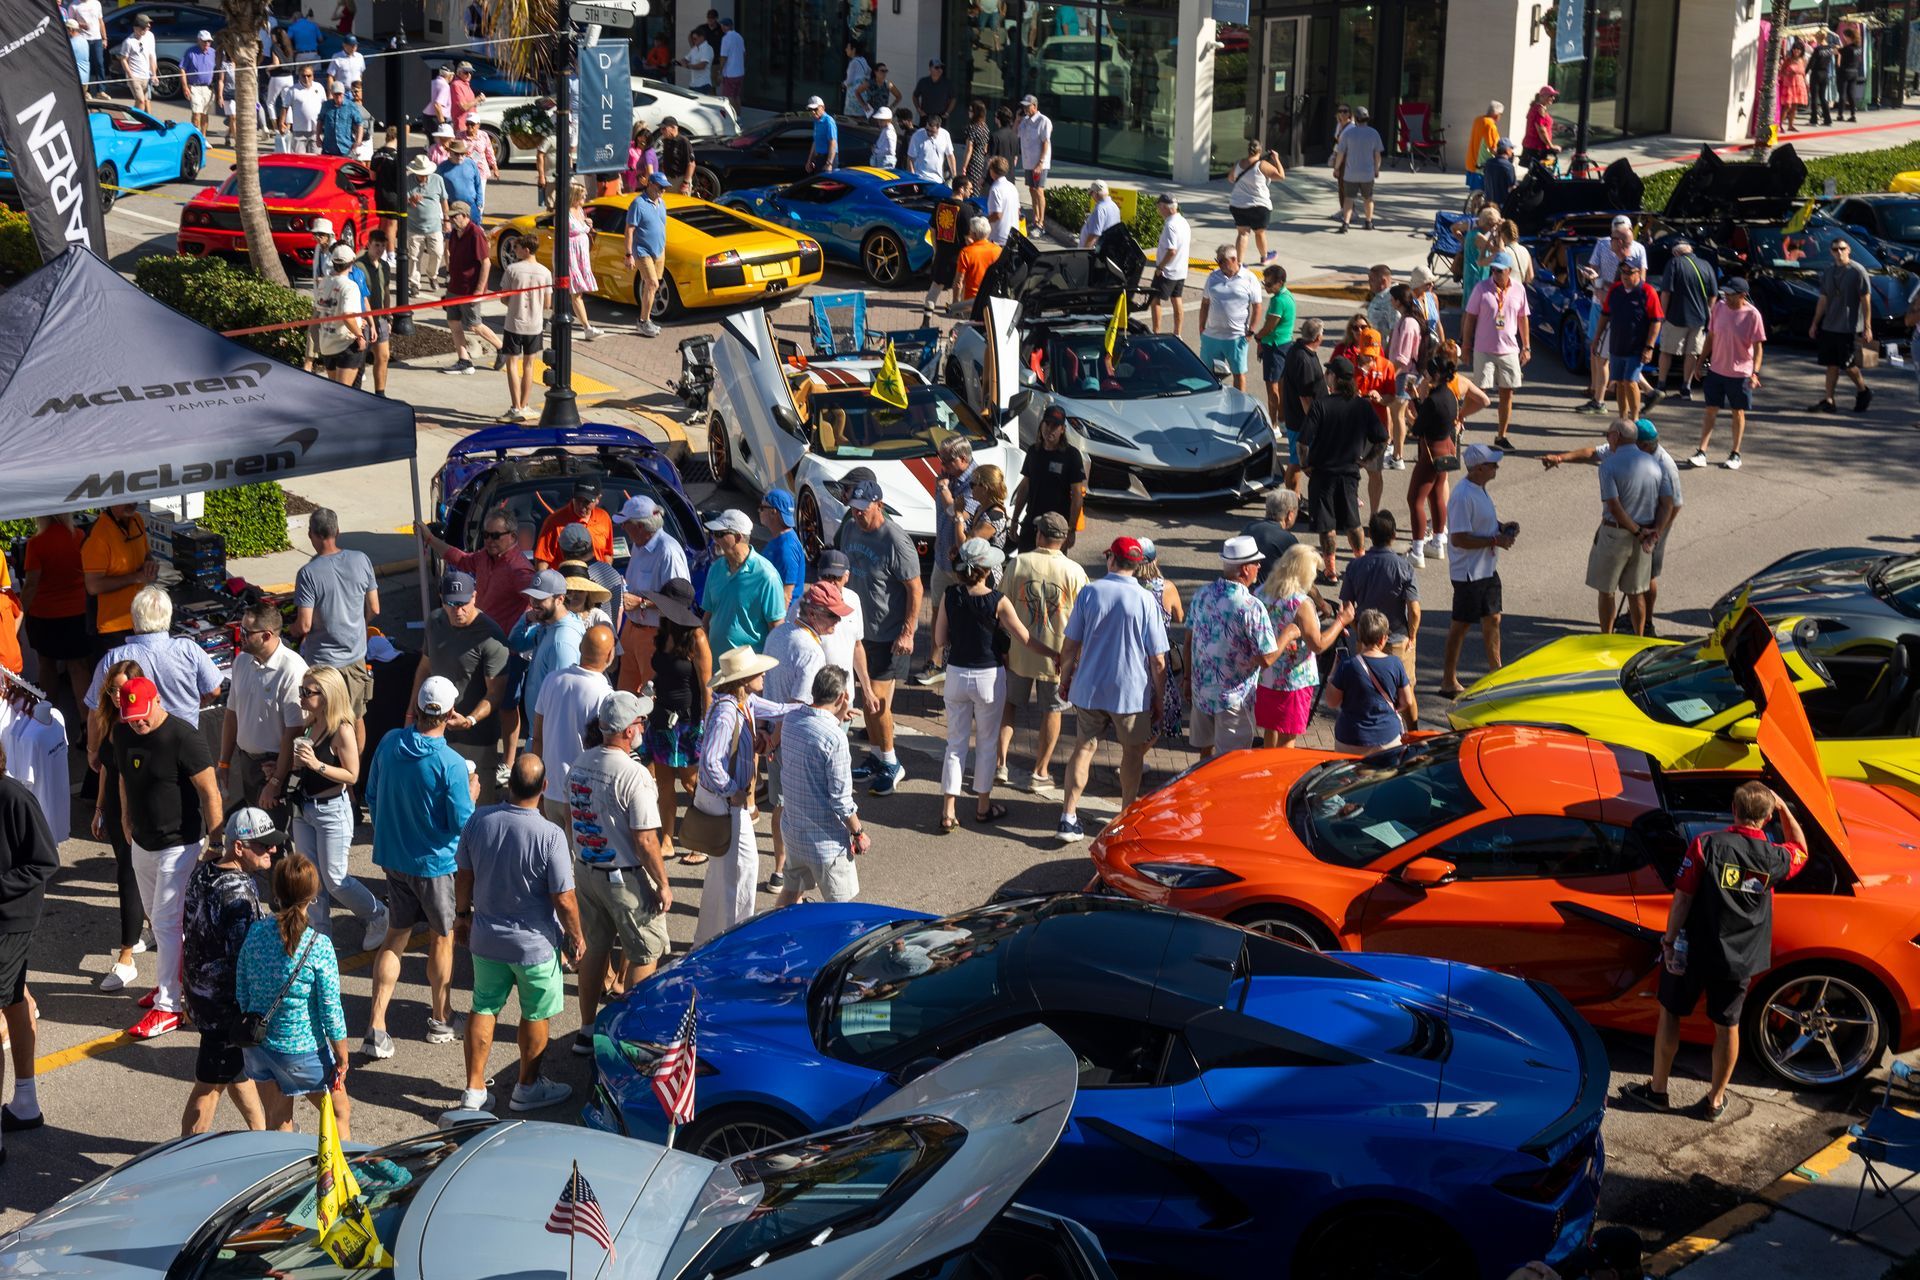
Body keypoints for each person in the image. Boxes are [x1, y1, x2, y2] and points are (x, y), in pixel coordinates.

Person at [1621, 782, 1809, 1121]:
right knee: (1728, 1026)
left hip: (1693, 950)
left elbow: (1683, 898)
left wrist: (1668, 939)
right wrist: (1784, 808)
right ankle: (1715, 1101)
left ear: (1733, 811)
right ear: (1767, 819)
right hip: (1740, 958)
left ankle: (1658, 1090)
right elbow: (1801, 849)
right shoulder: (1776, 857)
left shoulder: (1705, 845)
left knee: (1671, 1013)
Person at [451, 755, 583, 1115]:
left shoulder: (479, 820)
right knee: (536, 1014)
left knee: (484, 1005)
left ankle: (474, 1089)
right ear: (544, 788)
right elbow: (565, 899)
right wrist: (576, 936)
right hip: (534, 947)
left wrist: (462, 916)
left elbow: (464, 876)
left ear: (509, 786)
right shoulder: (551, 836)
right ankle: (527, 1087)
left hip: (486, 939)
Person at [362, 676, 476, 1061]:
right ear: (448, 714)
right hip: (436, 864)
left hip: (394, 859)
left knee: (395, 936)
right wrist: (472, 793)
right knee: (441, 938)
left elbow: (372, 795)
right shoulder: (452, 764)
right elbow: (463, 822)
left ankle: (376, 1026)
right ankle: (441, 1019)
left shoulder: (390, 741)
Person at [114, 675, 224, 1039]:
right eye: (132, 718)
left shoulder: (184, 737)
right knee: (157, 920)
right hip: (143, 843)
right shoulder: (125, 730)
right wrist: (126, 817)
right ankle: (170, 986)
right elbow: (123, 779)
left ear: (157, 701)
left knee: (166, 922)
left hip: (179, 846)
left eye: (143, 716)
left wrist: (217, 840)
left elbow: (210, 791)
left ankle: (169, 1006)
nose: (138, 724)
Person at [934, 541, 1053, 831]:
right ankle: (983, 806)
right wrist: (1054, 654)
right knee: (987, 743)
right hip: (988, 676)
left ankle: (949, 810)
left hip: (957, 674)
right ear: (986, 570)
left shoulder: (950, 596)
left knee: (955, 744)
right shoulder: (998, 601)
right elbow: (1024, 637)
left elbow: (939, 640)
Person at [1054, 538, 1168, 842]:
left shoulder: (1090, 592)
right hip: (1131, 693)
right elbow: (1158, 660)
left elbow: (1069, 646)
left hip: (1090, 687)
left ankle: (1068, 815)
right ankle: (1125, 815)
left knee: (1083, 747)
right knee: (1131, 754)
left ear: (1111, 560)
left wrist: (1065, 679)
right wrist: (1159, 696)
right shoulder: (1146, 600)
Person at [235, 854, 352, 1136]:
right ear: (312, 896)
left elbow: (242, 987)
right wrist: (342, 1055)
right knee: (338, 1113)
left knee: (278, 1119)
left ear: (276, 893)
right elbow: (330, 1010)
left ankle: (284, 1173)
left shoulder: (256, 932)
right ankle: (339, 1173)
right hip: (302, 1052)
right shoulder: (318, 945)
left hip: (259, 1047)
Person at [179, 807, 277, 1136]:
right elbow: (245, 958)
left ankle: (260, 1137)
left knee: (236, 1072)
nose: (272, 850)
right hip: (225, 1008)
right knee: (208, 1089)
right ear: (239, 847)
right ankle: (182, 1158)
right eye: (263, 845)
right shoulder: (239, 891)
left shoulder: (203, 872)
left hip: (200, 995)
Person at [284, 664, 387, 948]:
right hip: (305, 808)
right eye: (301, 691)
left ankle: (378, 914)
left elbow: (352, 775)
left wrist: (316, 764)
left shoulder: (341, 728)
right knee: (310, 877)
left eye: (308, 692)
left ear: (327, 695)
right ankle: (320, 936)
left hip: (331, 811)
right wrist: (294, 766)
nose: (301, 697)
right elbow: (304, 767)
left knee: (335, 879)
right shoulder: (311, 723)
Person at [693, 648, 790, 942]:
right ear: (743, 680)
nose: (763, 675)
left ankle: (708, 940)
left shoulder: (742, 702)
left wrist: (816, 710)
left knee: (724, 873)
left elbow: (779, 709)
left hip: (727, 802)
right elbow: (710, 761)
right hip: (727, 804)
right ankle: (734, 943)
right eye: (758, 673)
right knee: (741, 871)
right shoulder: (726, 712)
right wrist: (731, 791)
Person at [759, 581, 852, 886]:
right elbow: (797, 706)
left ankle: (784, 872)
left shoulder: (778, 634)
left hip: (774, 732)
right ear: (812, 614)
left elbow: (767, 685)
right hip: (790, 737)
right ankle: (786, 874)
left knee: (781, 804)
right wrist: (774, 741)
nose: (837, 624)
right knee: (790, 806)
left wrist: (766, 733)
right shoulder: (810, 650)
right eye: (832, 617)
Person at [838, 475, 922, 795]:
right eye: (854, 508)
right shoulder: (849, 528)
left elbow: (915, 588)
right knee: (866, 698)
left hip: (888, 635)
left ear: (879, 504)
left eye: (863, 509)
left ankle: (891, 762)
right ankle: (875, 756)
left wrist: (908, 631)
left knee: (877, 702)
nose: (857, 514)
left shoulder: (895, 540)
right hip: (859, 631)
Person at [994, 511, 1085, 794]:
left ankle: (1001, 763)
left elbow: (1000, 604)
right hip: (1058, 655)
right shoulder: (1074, 571)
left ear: (1040, 535)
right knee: (1053, 711)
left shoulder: (1018, 563)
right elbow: (1085, 615)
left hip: (1019, 651)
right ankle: (1040, 771)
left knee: (1009, 705)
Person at [0, 755, 58, 1150]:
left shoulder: (14, 796)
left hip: (11, 921)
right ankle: (25, 1103)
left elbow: (45, 861)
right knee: (15, 998)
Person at [411, 568, 509, 800]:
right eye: (452, 604)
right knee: (437, 799)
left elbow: (496, 692)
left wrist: (470, 720)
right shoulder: (435, 622)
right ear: (442, 601)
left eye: (464, 603)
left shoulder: (491, 636)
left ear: (474, 596)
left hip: (476, 740)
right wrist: (410, 713)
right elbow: (425, 668)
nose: (458, 610)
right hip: (435, 733)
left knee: (476, 806)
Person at [1185, 536, 1282, 760]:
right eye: (1256, 563)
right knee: (1231, 762)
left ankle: (1203, 791)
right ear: (1245, 569)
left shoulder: (1202, 594)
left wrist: (1188, 680)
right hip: (1233, 700)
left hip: (1202, 691)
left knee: (1205, 754)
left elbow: (1189, 638)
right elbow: (1267, 658)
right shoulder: (1250, 606)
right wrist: (1289, 634)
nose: (1260, 567)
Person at [294, 508, 378, 750]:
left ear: (312, 535)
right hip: (355, 659)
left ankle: (329, 772)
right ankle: (354, 775)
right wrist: (356, 626)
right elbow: (374, 608)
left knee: (321, 720)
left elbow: (304, 625)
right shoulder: (361, 559)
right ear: (337, 532)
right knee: (356, 717)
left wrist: (288, 627)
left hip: (322, 665)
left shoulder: (308, 574)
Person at [1582, 417, 1673, 636]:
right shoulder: (1655, 463)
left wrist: (1638, 532)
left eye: (1608, 434)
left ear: (1616, 437)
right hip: (1644, 537)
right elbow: (1668, 502)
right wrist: (1655, 531)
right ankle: (1638, 638)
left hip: (1616, 534)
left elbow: (1614, 506)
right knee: (1635, 593)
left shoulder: (1609, 465)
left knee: (1607, 591)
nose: (1607, 438)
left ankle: (1607, 637)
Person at [640, 582, 711, 863]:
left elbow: (707, 687)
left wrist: (707, 726)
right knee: (664, 784)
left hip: (688, 723)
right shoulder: (664, 630)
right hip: (661, 719)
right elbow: (665, 671)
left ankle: (700, 843)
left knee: (692, 783)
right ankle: (667, 839)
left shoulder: (697, 638)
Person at [1257, 545, 1354, 748]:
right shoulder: (1300, 604)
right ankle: (1284, 779)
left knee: (1270, 732)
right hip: (1294, 679)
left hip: (1267, 677)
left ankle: (1267, 773)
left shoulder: (1262, 592)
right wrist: (1340, 622)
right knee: (1288, 738)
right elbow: (1317, 644)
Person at [1300, 356, 1386, 582]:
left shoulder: (1320, 405)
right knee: (1353, 522)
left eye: (1329, 373)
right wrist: (1366, 461)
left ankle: (1330, 570)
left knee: (1327, 525)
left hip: (1323, 474)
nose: (1326, 376)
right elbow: (1381, 439)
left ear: (1335, 379)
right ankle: (1361, 563)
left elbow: (1302, 442)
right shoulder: (1362, 406)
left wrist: (1305, 464)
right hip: (1349, 474)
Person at [88, 660, 147, 993]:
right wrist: (99, 808)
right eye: (112, 690)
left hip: (137, 810)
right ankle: (149, 927)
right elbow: (107, 769)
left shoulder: (140, 724)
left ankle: (126, 957)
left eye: (123, 690)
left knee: (127, 875)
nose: (116, 696)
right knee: (131, 872)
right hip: (113, 807)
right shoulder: (108, 720)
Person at [221, 604, 306, 828]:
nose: (241, 636)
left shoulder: (292, 669)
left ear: (267, 635)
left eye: (247, 632)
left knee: (275, 840)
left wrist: (277, 780)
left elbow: (294, 732)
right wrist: (224, 764)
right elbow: (231, 715)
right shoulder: (241, 662)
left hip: (275, 766)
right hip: (248, 763)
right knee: (256, 838)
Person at [1439, 444, 1514, 697]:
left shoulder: (1479, 489)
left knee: (1493, 618)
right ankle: (1448, 680)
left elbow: (1480, 524)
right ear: (1479, 468)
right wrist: (1495, 541)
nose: (1496, 467)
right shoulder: (1462, 496)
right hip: (1469, 573)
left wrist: (1501, 527)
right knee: (1460, 626)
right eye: (1493, 464)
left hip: (1486, 568)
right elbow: (1459, 538)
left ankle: (1496, 672)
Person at [531, 623, 615, 830]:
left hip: (549, 789)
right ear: (610, 655)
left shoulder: (552, 680)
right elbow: (604, 751)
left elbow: (538, 736)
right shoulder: (604, 694)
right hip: (583, 794)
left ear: (580, 648)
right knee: (580, 860)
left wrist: (537, 787)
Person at [1459, 250, 1530, 451]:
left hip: (1509, 350)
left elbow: (1523, 319)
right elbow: (1470, 317)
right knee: (1479, 392)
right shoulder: (1482, 288)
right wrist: (1466, 345)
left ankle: (1501, 436)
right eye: (1494, 270)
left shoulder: (1518, 290)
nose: (1496, 274)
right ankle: (1458, 418)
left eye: (1500, 271)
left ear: (1509, 271)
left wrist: (1526, 346)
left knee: (1507, 393)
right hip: (1484, 349)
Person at [1341, 510, 1422, 684]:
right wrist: (1412, 636)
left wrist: (1360, 630)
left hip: (1366, 642)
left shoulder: (1354, 566)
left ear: (1370, 534)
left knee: (1366, 692)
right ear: (1394, 535)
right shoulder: (1404, 567)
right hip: (1397, 640)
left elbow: (1347, 608)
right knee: (1404, 695)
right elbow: (1414, 610)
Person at [1693, 277, 1767, 469]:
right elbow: (1710, 337)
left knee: (1738, 412)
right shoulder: (1719, 307)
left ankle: (1735, 454)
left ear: (1743, 295)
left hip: (1741, 373)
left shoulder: (1753, 315)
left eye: (1731, 294)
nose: (1726, 297)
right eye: (1725, 293)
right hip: (1716, 369)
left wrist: (1755, 373)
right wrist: (1699, 363)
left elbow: (1758, 349)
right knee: (1710, 409)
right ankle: (1701, 451)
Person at [20, 514, 89, 708]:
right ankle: (86, 722)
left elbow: (31, 583)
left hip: (45, 615)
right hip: (77, 611)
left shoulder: (36, 543)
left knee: (47, 665)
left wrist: (19, 615)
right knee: (78, 666)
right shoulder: (79, 536)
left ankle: (48, 716)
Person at [1324, 610, 1416, 753]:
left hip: (1350, 738)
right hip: (1386, 738)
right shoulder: (1395, 663)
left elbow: (1331, 702)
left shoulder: (1347, 665)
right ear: (1383, 639)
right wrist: (1389, 710)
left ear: (1360, 636)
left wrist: (1332, 673)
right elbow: (1407, 701)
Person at [512, 570, 586, 748]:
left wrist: (542, 744)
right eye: (532, 598)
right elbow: (515, 643)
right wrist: (527, 618)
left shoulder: (563, 641)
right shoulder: (546, 625)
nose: (534, 604)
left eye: (540, 599)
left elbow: (561, 699)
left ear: (560, 599)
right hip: (539, 734)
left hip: (549, 738)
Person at [698, 509, 786, 654]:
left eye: (720, 534)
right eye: (713, 534)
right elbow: (708, 615)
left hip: (748, 672)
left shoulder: (767, 576)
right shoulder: (716, 569)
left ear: (738, 537)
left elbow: (776, 628)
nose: (714, 539)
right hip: (716, 667)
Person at [1403, 349, 1458, 571]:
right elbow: (1429, 412)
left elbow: (1418, 427)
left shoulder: (1434, 399)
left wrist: (1410, 417)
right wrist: (1416, 397)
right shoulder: (1449, 396)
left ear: (1436, 375)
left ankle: (1417, 552)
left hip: (1430, 453)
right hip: (1445, 448)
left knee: (1415, 499)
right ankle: (1437, 542)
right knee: (1436, 497)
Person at [81, 502, 154, 661]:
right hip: (111, 628)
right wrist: (136, 577)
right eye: (125, 499)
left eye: (134, 498)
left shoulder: (137, 520)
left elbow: (147, 554)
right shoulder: (98, 535)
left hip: (141, 620)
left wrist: (150, 564)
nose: (132, 503)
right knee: (114, 683)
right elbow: (93, 586)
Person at [1810, 236, 1874, 415]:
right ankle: (1829, 400)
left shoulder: (1857, 271)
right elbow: (1823, 299)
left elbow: (1866, 300)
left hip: (1849, 327)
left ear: (1849, 250)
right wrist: (1815, 323)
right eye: (1835, 249)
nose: (1839, 252)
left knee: (1848, 364)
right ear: (1831, 252)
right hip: (1830, 325)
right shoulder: (1828, 272)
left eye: (1842, 249)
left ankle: (1863, 391)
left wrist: (1867, 327)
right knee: (1831, 364)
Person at [494, 233, 552, 421]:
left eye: (517, 248)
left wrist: (514, 304)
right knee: (529, 365)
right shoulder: (545, 272)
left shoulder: (512, 270)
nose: (514, 251)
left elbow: (504, 297)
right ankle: (525, 405)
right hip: (534, 325)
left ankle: (515, 407)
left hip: (514, 323)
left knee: (512, 364)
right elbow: (547, 304)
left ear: (526, 250)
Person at [1596, 261, 1664, 420]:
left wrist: (1649, 347)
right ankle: (1622, 419)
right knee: (1619, 382)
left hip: (1637, 348)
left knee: (1630, 381)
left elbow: (1656, 321)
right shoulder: (1615, 289)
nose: (1625, 276)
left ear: (1638, 273)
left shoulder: (1648, 291)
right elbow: (1605, 314)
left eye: (1630, 272)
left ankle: (1634, 420)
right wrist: (1597, 338)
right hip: (1617, 345)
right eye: (1623, 272)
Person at [1197, 245, 1265, 394]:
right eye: (1217, 261)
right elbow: (1205, 303)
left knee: (1238, 374)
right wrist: (1201, 328)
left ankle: (1239, 403)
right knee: (1207, 374)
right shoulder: (1213, 277)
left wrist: (1251, 332)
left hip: (1236, 337)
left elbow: (1257, 307)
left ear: (1234, 259)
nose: (1219, 264)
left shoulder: (1249, 278)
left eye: (1221, 261)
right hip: (1212, 336)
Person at [1656, 239, 1718, 399]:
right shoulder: (1706, 265)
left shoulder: (1674, 263)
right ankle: (1686, 388)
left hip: (1676, 316)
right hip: (1699, 319)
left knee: (1666, 351)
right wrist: (1708, 312)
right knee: (1692, 353)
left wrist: (1662, 314)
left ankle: (1661, 385)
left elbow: (1666, 292)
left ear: (1676, 252)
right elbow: (1713, 294)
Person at [1279, 318, 1325, 491]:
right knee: (1297, 461)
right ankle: (1293, 497)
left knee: (1296, 460)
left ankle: (1295, 497)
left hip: (1298, 418)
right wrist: (1315, 423)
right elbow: (1305, 398)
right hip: (1301, 421)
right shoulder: (1303, 359)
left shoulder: (1297, 349)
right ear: (1318, 338)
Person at [1226, 140, 1285, 265]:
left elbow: (1231, 179)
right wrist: (1276, 159)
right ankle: (1264, 257)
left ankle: (1239, 263)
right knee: (1260, 232)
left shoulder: (1239, 163)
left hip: (1238, 204)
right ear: (1260, 151)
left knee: (1243, 233)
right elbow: (1281, 176)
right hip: (1259, 205)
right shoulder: (1262, 165)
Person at [1255, 265, 1297, 436]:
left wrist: (1258, 338)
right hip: (1286, 345)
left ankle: (1273, 425)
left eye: (1269, 284)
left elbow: (1269, 327)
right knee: (1282, 386)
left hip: (1274, 347)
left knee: (1272, 388)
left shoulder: (1278, 301)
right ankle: (1283, 421)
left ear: (1280, 282)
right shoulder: (1288, 296)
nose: (1266, 286)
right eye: (1264, 282)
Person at [1332, 105, 1384, 233]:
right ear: (1367, 119)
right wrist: (1376, 170)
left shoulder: (1348, 134)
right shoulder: (1374, 133)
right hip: (1367, 173)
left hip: (1351, 173)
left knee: (1348, 199)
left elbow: (1340, 153)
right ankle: (1368, 222)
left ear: (1355, 117)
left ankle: (1346, 223)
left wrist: (1336, 168)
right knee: (1368, 198)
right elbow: (1377, 155)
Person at [1150, 194, 1192, 334]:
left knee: (1155, 299)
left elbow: (1171, 251)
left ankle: (1156, 331)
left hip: (1167, 271)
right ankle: (1177, 333)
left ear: (1165, 207)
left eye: (1159, 207)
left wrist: (1160, 267)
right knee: (1176, 299)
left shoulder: (1170, 225)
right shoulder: (1183, 222)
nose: (1158, 210)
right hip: (1180, 270)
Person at [405, 157, 447, 292]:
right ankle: (414, 284)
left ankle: (432, 275)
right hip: (414, 227)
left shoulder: (437, 180)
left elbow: (444, 201)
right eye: (420, 174)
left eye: (425, 174)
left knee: (437, 252)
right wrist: (410, 200)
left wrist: (446, 220)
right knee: (414, 257)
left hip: (434, 226)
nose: (423, 177)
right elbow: (402, 201)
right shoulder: (408, 180)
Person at [1242, 489, 1302, 580]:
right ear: (1290, 515)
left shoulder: (1249, 527)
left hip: (1245, 587)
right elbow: (1300, 576)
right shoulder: (1287, 539)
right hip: (1269, 591)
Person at [953, 215, 1000, 310]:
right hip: (992, 300)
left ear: (974, 234)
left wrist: (956, 303)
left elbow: (958, 282)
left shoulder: (966, 252)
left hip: (971, 301)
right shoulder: (998, 250)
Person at [180, 31, 219, 134]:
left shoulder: (213, 53)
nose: (207, 44)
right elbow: (182, 69)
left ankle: (203, 137)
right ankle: (196, 135)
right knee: (197, 113)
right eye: (204, 41)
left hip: (208, 88)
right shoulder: (190, 52)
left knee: (205, 114)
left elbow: (219, 70)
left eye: (209, 41)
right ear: (199, 40)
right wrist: (185, 87)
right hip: (194, 87)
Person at [117, 14, 157, 111]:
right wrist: (131, 75)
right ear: (137, 27)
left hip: (146, 76)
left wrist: (154, 74)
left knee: (145, 101)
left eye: (147, 26)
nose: (147, 28)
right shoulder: (128, 42)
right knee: (141, 101)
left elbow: (151, 56)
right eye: (144, 27)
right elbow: (123, 59)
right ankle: (139, 123)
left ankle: (133, 118)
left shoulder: (147, 39)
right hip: (135, 76)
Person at [318, 81, 368, 157]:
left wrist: (358, 140)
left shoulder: (351, 106)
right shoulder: (326, 105)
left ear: (344, 93)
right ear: (332, 93)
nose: (338, 96)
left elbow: (359, 123)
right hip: (328, 148)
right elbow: (320, 120)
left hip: (346, 148)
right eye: (335, 94)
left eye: (340, 94)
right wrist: (318, 137)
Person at [983, 155, 1018, 246]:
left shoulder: (995, 189)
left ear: (993, 171)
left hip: (998, 238)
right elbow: (1017, 211)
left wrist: (983, 220)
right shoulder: (1012, 187)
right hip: (1013, 236)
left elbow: (997, 215)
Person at [1520, 84, 1558, 169]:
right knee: (1540, 176)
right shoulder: (1539, 109)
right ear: (1542, 96)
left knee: (1536, 175)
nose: (1553, 98)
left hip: (1532, 146)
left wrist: (1559, 127)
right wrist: (1551, 146)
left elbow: (1543, 125)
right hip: (1537, 148)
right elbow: (1541, 130)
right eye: (1551, 96)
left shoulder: (1537, 108)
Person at [803, 95, 839, 173]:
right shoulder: (816, 121)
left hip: (828, 159)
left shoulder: (829, 121)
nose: (812, 112)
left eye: (815, 109)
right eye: (810, 109)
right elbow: (815, 141)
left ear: (823, 107)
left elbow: (833, 142)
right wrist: (809, 160)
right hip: (819, 158)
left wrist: (829, 163)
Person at [1779, 38, 1808, 132]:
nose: (1796, 50)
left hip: (1799, 84)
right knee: (1787, 106)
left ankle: (1791, 125)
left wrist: (1806, 84)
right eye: (1795, 48)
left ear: (1802, 51)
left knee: (1795, 107)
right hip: (1789, 84)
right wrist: (1786, 75)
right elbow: (1781, 71)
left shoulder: (1803, 60)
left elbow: (1803, 73)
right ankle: (1780, 125)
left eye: (1798, 49)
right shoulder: (1788, 59)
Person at [1480, 137, 1518, 209]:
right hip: (1502, 205)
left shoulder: (1488, 162)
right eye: (1511, 149)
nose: (1512, 151)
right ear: (1507, 150)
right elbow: (1512, 187)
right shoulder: (1508, 166)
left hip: (1488, 203)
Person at [1808, 30, 1835, 128]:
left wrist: (1805, 72)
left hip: (1816, 73)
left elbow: (1811, 62)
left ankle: (1814, 120)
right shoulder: (1829, 49)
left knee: (1814, 98)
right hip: (1825, 74)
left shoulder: (1818, 49)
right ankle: (1828, 120)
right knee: (1823, 97)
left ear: (1818, 38)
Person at [1466, 100, 1503, 173]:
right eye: (1501, 114)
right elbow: (1493, 148)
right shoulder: (1490, 125)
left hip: (1471, 164)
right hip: (1481, 169)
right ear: (1497, 115)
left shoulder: (1478, 120)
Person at [716, 17, 746, 109]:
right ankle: (739, 117)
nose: (722, 27)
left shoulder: (726, 38)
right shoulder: (739, 37)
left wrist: (720, 72)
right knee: (736, 96)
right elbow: (744, 53)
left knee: (729, 97)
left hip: (730, 74)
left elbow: (723, 57)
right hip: (740, 73)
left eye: (723, 25)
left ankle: (733, 118)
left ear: (725, 27)